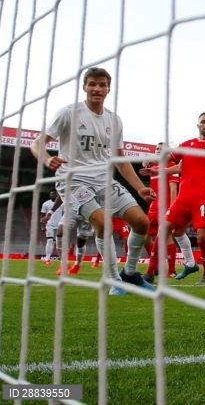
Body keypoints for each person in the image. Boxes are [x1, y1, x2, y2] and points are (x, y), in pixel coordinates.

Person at [30, 66, 156, 295]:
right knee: (102, 222)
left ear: (108, 89)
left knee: (141, 222)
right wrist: (47, 160)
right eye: (92, 84)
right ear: (84, 87)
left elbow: (120, 160)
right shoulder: (68, 113)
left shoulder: (114, 120)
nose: (97, 89)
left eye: (101, 85)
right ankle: (113, 279)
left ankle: (129, 274)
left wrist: (140, 188)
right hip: (73, 180)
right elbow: (37, 143)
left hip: (103, 180)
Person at [165, 111, 205, 287]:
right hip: (186, 197)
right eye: (203, 122)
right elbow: (171, 160)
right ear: (198, 125)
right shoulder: (187, 145)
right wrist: (152, 162)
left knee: (203, 236)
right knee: (173, 230)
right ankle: (190, 263)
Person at [139, 142, 181, 283]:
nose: (157, 150)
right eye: (156, 148)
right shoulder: (153, 168)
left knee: (167, 237)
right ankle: (156, 265)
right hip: (153, 208)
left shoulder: (171, 167)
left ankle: (172, 270)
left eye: (161, 149)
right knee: (144, 236)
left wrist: (172, 209)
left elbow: (173, 189)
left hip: (166, 208)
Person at [39, 189, 60, 264]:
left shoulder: (62, 203)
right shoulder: (46, 204)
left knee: (58, 242)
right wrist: (43, 226)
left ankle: (62, 258)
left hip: (59, 225)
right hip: (49, 225)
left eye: (54, 194)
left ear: (57, 194)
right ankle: (47, 258)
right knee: (50, 240)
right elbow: (42, 215)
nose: (52, 195)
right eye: (51, 194)